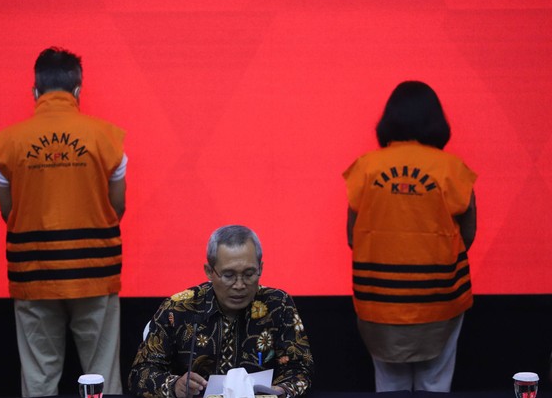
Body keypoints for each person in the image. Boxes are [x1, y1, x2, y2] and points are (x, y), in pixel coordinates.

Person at [0, 47, 127, 397]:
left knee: (38, 378)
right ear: (78, 90)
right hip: (95, 272)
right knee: (102, 378)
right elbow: (118, 206)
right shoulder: (108, 139)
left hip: (33, 276)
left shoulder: (7, 144)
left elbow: (8, 212)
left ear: (35, 91)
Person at [342, 81, 477, 392]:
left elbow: (353, 235)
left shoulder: (366, 168)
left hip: (379, 300)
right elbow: (467, 233)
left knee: (389, 384)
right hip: (440, 296)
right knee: (435, 382)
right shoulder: (452, 168)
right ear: (436, 121)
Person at [128, 225, 314, 398]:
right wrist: (174, 385)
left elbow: (300, 369)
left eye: (249, 274)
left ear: (261, 268)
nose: (240, 285)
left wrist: (279, 391)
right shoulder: (178, 308)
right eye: (228, 275)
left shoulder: (278, 305)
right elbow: (140, 373)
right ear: (209, 271)